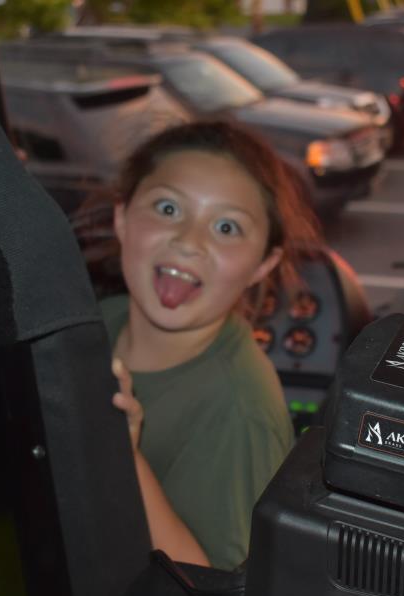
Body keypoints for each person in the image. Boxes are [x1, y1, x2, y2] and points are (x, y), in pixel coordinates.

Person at [99, 121, 321, 571]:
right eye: (167, 208)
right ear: (122, 217)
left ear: (264, 262)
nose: (189, 240)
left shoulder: (240, 410)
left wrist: (122, 456)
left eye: (225, 226)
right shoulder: (98, 321)